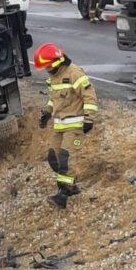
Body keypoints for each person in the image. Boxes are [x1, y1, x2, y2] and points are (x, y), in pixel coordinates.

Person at [34, 43, 98, 209]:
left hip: (75, 126)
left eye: (47, 66)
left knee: (66, 159)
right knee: (53, 158)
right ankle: (72, 186)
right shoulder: (53, 77)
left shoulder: (74, 73)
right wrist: (47, 112)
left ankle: (63, 194)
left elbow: (90, 96)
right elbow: (53, 99)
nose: (46, 69)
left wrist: (89, 119)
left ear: (56, 62)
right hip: (59, 125)